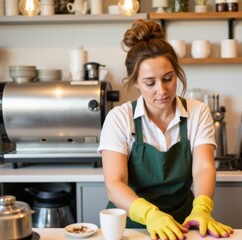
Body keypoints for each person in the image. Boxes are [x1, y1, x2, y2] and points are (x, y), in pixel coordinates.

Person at [97, 19, 233, 240]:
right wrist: (151, 215)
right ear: (136, 83)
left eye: (168, 79)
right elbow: (114, 183)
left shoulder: (198, 113)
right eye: (150, 83)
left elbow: (204, 169)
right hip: (133, 228)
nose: (162, 90)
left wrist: (202, 208)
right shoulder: (120, 118)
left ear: (177, 74)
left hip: (184, 225)